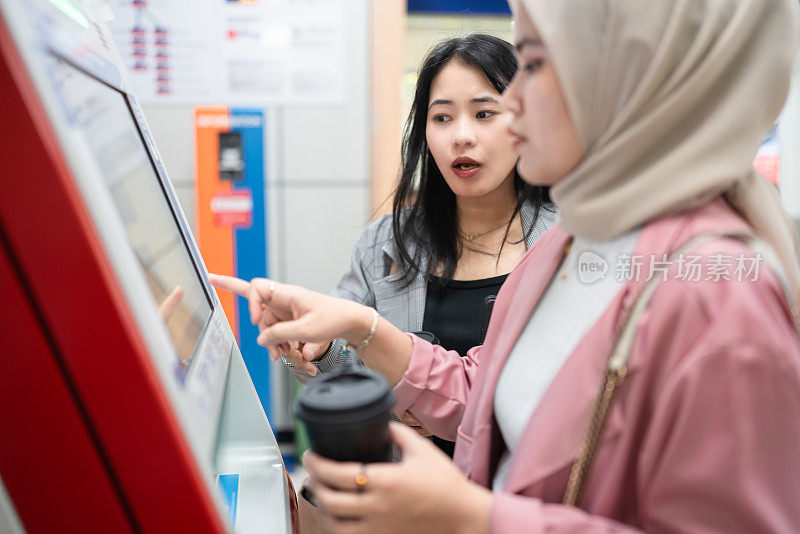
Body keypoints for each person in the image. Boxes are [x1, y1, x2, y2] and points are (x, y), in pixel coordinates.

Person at [210, 0, 800, 532]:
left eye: (537, 65)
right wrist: (353, 324)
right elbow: (480, 392)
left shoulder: (718, 291)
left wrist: (473, 518)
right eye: (442, 118)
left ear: (636, 80)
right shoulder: (581, 239)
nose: (513, 106)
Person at [277, 34, 555, 455]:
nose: (461, 136)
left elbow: (547, 396)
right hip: (405, 495)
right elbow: (340, 365)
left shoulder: (567, 246)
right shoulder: (386, 241)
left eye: (484, 113)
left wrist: (430, 404)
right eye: (441, 117)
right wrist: (319, 346)